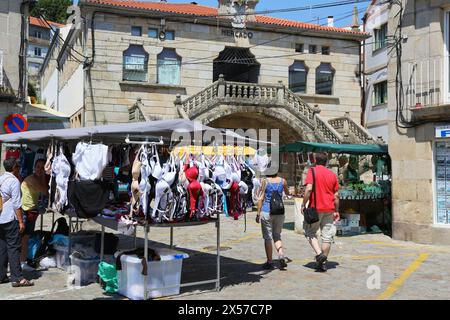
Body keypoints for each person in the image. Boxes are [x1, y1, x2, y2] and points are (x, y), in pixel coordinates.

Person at [301, 152, 339, 272]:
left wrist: (303, 203)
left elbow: (309, 188)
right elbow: (336, 196)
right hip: (329, 208)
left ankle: (319, 254)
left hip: (315, 208)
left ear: (315, 161)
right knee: (327, 237)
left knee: (310, 232)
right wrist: (337, 210)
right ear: (327, 162)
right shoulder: (332, 174)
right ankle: (323, 263)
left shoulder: (312, 171)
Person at [0, 158, 34, 287]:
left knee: (2, 247)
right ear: (14, 167)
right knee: (14, 248)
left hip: (0, 218)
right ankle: (17, 278)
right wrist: (21, 221)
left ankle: (1, 275)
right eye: (18, 166)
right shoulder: (13, 181)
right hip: (9, 218)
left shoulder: (1, 178)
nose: (19, 168)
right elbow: (17, 205)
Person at [256, 172, 290, 270]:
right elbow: (287, 194)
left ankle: (270, 261)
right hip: (279, 211)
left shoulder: (264, 181)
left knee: (268, 238)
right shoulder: (283, 181)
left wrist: (258, 213)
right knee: (277, 235)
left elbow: (261, 198)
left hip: (267, 211)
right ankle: (281, 254)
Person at [21, 159, 49, 271]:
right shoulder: (31, 179)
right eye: (38, 167)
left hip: (31, 211)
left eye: (42, 168)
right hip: (24, 211)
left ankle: (22, 262)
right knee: (22, 239)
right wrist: (43, 176)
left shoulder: (37, 178)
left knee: (26, 238)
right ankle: (19, 263)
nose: (39, 170)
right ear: (34, 167)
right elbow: (45, 191)